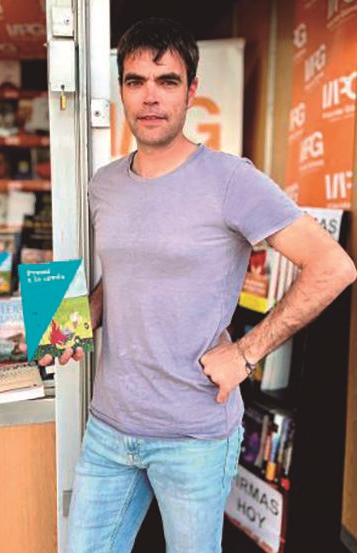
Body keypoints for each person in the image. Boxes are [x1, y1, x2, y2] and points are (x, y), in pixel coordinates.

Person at [41, 17, 356, 553]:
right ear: (121, 91)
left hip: (194, 435)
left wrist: (247, 352)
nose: (150, 97)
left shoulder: (231, 180)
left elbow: (334, 265)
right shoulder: (105, 185)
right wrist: (82, 315)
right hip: (110, 428)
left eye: (167, 81)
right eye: (136, 81)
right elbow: (124, 276)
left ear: (191, 92)